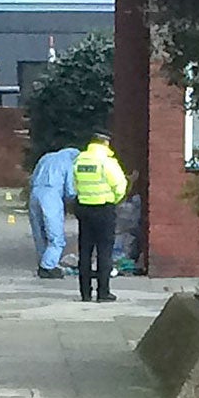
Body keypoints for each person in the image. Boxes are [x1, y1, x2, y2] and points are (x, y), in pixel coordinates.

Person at [71, 127, 128, 302]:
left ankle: (85, 293)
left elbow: (75, 184)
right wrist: (114, 200)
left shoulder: (79, 160)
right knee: (104, 251)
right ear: (105, 143)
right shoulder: (107, 162)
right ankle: (103, 292)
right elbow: (120, 185)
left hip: (84, 209)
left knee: (85, 251)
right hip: (104, 209)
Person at [26, 144, 79, 278]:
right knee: (56, 236)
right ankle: (48, 266)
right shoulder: (70, 162)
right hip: (52, 196)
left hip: (35, 194)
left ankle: (43, 262)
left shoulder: (46, 157)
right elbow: (70, 191)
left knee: (39, 232)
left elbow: (32, 179)